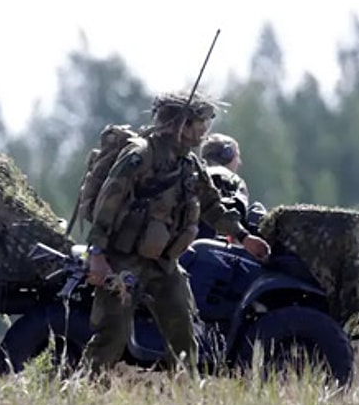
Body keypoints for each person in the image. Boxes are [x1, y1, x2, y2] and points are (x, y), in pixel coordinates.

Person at [84, 91, 271, 375]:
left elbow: (212, 206)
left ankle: (187, 396)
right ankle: (83, 390)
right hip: (123, 262)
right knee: (113, 336)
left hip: (163, 264)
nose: (204, 133)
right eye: (199, 124)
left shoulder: (190, 165)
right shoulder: (140, 156)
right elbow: (106, 204)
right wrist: (97, 255)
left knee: (183, 331)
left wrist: (244, 238)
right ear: (181, 125)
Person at [197, 132, 266, 239]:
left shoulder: (192, 174)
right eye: (237, 156)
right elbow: (239, 210)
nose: (239, 162)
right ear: (227, 154)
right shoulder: (232, 180)